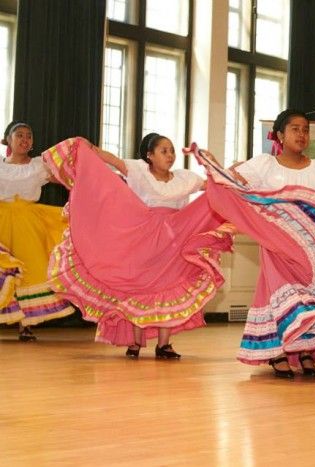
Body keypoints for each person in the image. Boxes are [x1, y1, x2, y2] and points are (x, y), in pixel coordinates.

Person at [202, 109, 315, 378]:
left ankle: (305, 351)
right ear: (280, 135)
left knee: (310, 295)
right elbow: (233, 183)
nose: (301, 135)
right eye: (295, 129)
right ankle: (279, 352)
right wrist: (214, 165)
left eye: (305, 130)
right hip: (277, 244)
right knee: (280, 293)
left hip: (311, 251)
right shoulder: (265, 165)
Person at [43, 133, 233, 359]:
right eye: (164, 151)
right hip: (142, 239)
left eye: (171, 150)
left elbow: (216, 185)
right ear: (149, 155)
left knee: (168, 288)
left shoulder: (185, 178)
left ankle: (164, 344)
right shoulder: (139, 171)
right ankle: (135, 342)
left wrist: (214, 165)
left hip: (174, 241)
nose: (170, 155)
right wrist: (88, 147)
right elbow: (110, 160)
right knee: (140, 288)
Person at [0, 121, 73, 340]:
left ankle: (26, 324)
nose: (24, 139)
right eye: (19, 135)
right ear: (8, 140)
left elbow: (67, 178)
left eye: (28, 136)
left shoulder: (40, 165)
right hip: (2, 220)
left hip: (28, 224)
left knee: (31, 270)